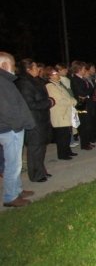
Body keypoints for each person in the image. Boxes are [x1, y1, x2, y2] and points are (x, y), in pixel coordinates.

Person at [0, 52, 36, 207]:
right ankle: (10, 197)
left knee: (16, 163)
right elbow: (6, 109)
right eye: (13, 65)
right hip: (10, 130)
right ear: (4, 65)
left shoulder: (5, 81)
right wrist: (17, 125)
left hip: (12, 128)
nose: (14, 68)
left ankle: (17, 189)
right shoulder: (2, 82)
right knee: (13, 164)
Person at [15, 58, 55, 182]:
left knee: (41, 147)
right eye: (35, 67)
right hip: (33, 121)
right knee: (35, 148)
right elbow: (30, 104)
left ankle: (41, 170)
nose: (38, 69)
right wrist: (48, 102)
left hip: (41, 119)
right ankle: (36, 175)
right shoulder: (24, 83)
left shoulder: (35, 80)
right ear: (28, 69)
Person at [45, 66, 78, 160]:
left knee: (67, 134)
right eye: (55, 74)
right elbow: (59, 100)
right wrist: (72, 102)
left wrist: (72, 100)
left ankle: (67, 151)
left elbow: (68, 96)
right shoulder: (50, 86)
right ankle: (62, 154)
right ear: (50, 76)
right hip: (60, 114)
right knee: (62, 135)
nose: (58, 75)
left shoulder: (58, 84)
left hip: (66, 112)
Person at [70, 61, 94, 150]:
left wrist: (87, 93)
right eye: (84, 69)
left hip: (86, 101)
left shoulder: (82, 78)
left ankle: (87, 142)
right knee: (84, 124)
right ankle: (84, 144)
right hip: (81, 103)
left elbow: (91, 88)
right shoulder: (75, 79)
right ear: (79, 69)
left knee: (88, 123)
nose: (85, 70)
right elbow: (81, 93)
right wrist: (87, 93)